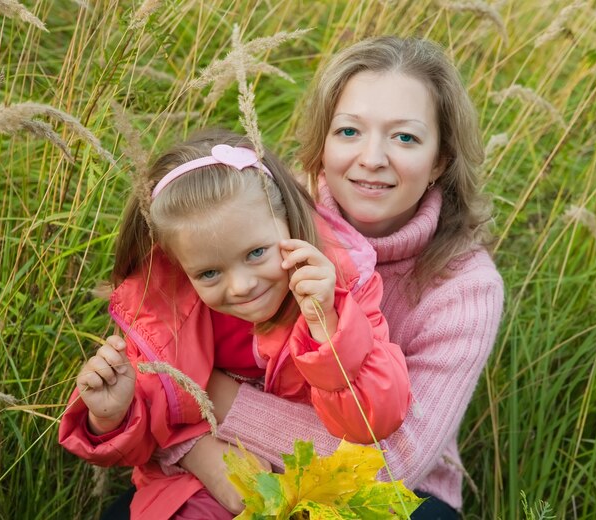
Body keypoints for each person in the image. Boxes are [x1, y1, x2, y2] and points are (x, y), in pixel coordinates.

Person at [195, 36, 504, 518]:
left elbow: (391, 463)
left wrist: (207, 397)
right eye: (349, 132)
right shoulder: (268, 220)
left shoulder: (465, 286)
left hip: (393, 496)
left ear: (439, 161)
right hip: (235, 461)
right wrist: (195, 450)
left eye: (405, 137)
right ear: (321, 142)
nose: (372, 158)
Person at [58, 128, 411, 519]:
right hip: (199, 485)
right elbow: (151, 435)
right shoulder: (166, 318)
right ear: (179, 268)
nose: (241, 286)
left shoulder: (340, 287)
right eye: (209, 273)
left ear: (289, 222)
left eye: (257, 252)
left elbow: (374, 420)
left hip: (317, 490)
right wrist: (111, 415)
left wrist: (327, 325)